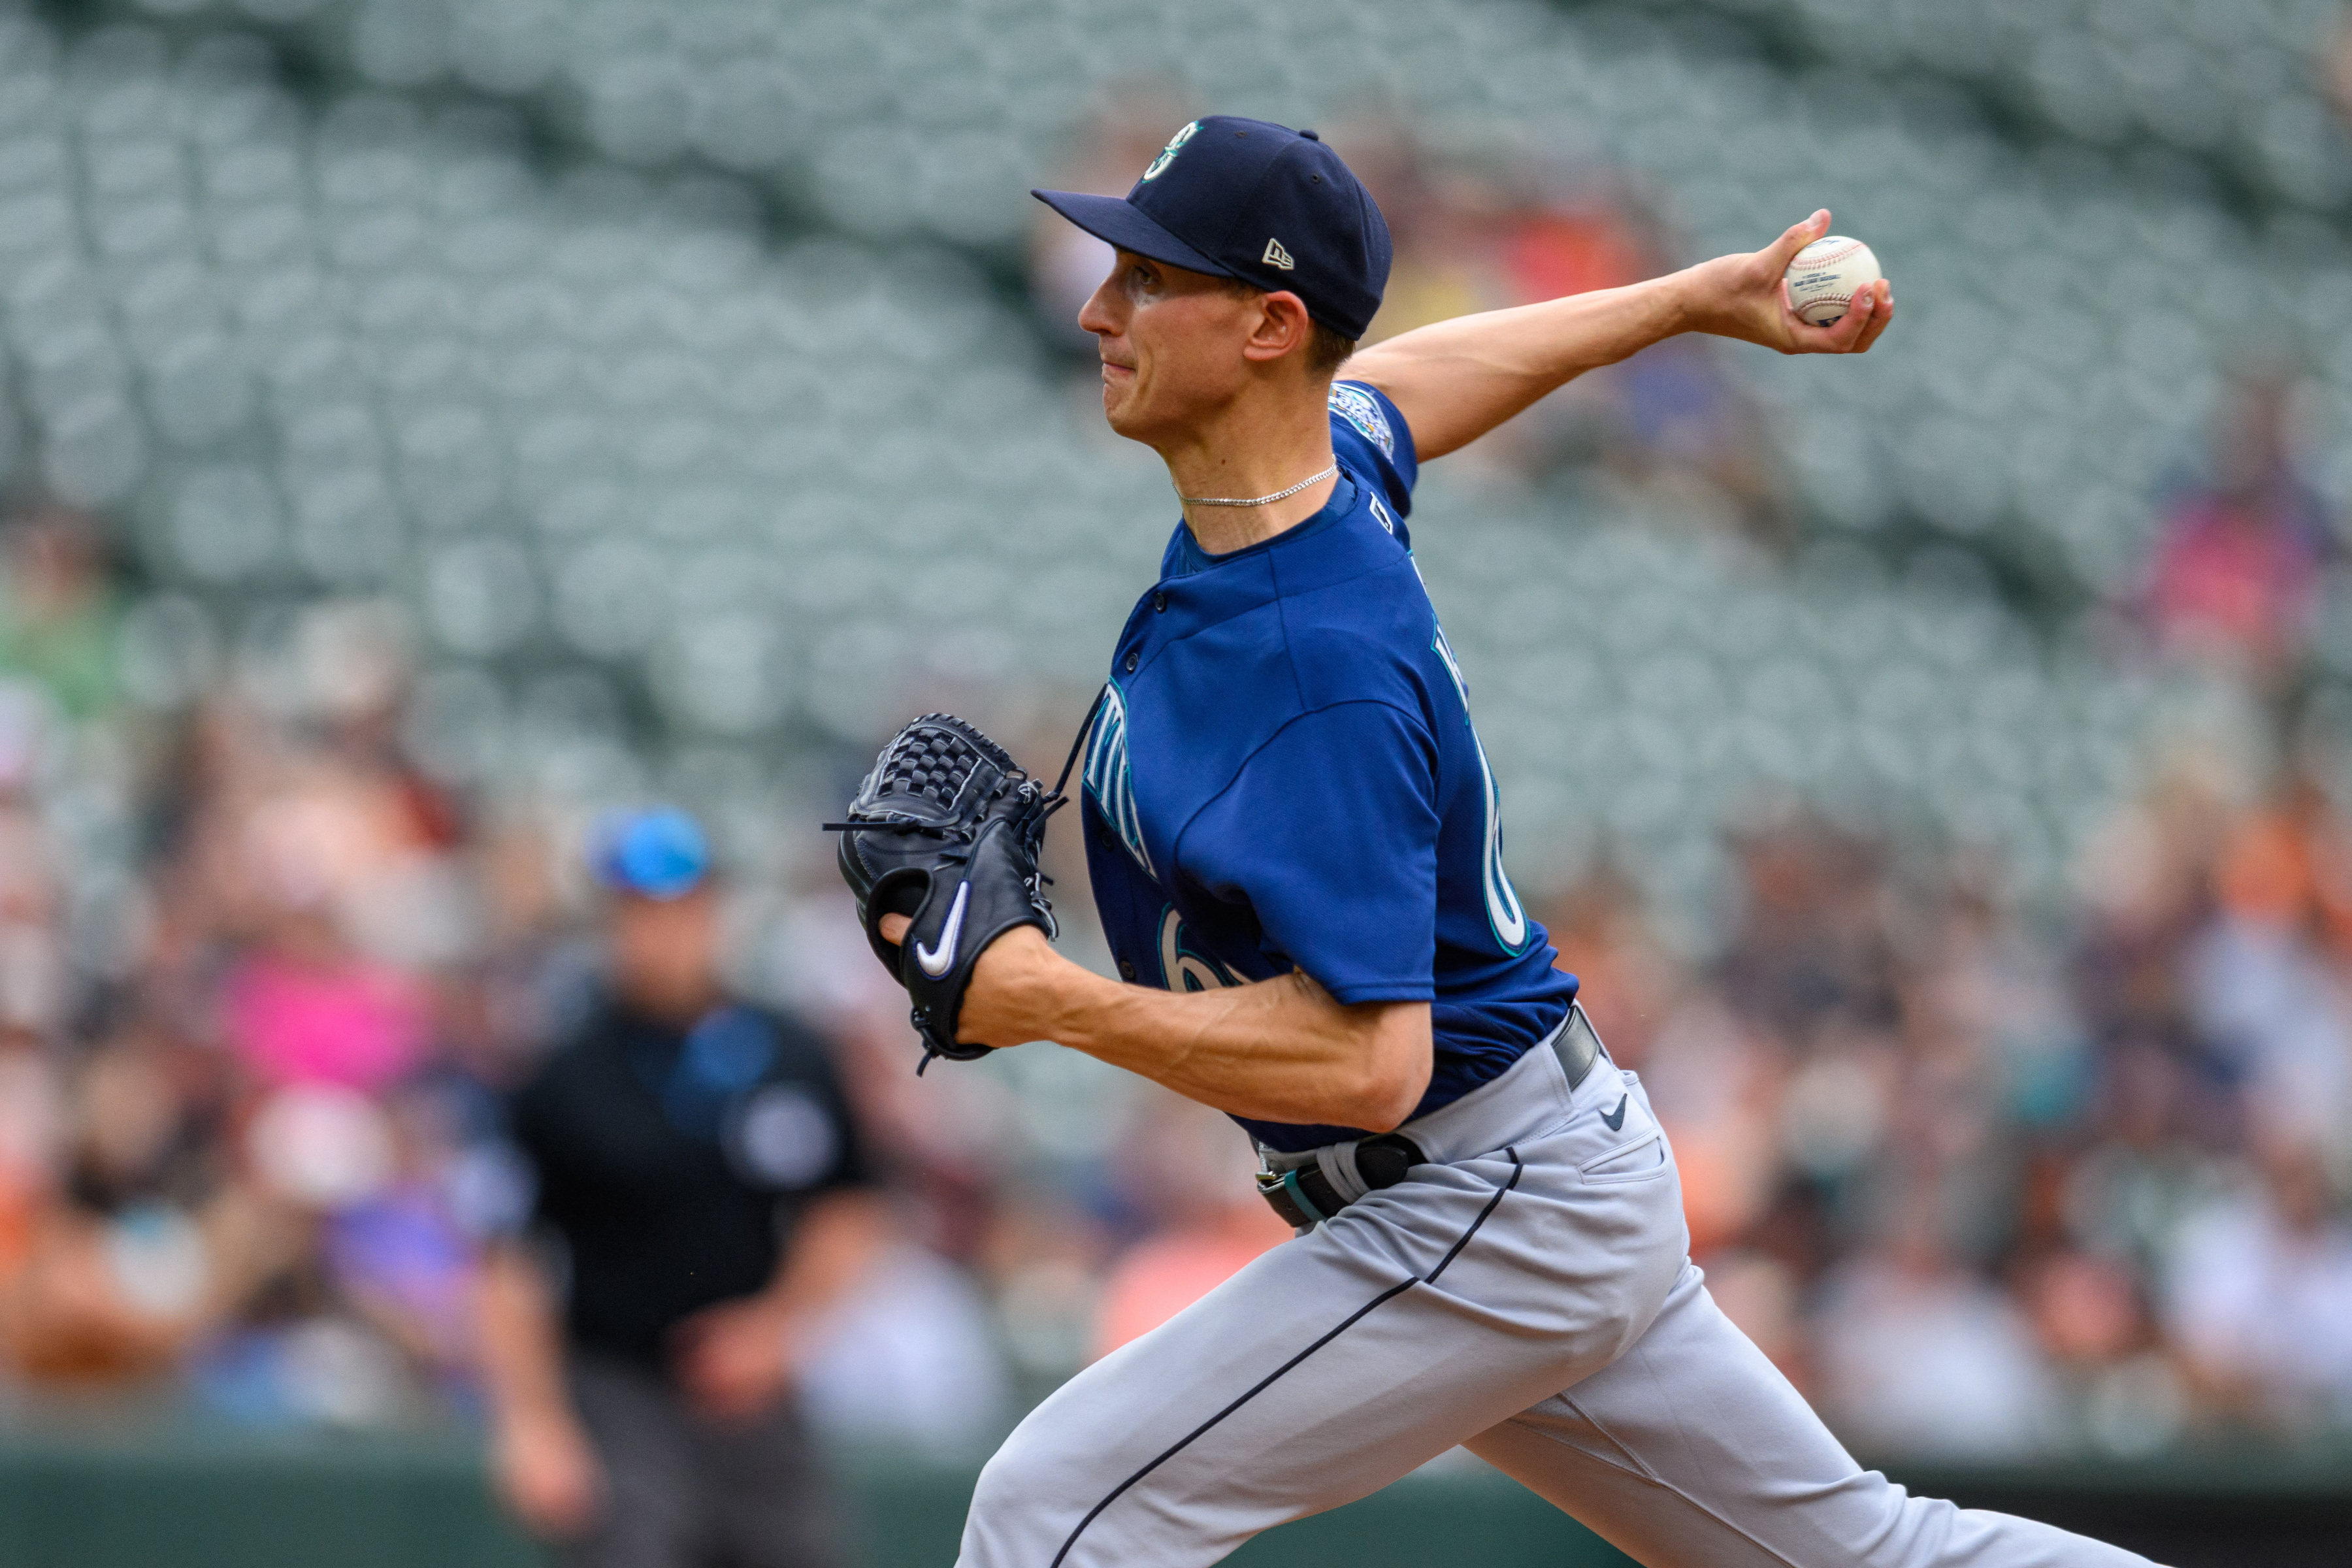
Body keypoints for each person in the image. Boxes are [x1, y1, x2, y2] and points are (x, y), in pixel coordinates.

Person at [873, 116, 2158, 1567]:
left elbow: (1373, 1062)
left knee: (1054, 1508)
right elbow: (1404, 385)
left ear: (1269, 327)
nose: (1101, 304)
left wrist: (1045, 1000)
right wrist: (1688, 302)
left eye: (1153, 278)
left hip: (1480, 1194)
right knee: (1866, 1556)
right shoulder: (1307, 480)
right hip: (1535, 1175)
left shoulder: (1316, 666)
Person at [478, 808, 881, 1568]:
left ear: (715, 913)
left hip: (753, 1401)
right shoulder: (562, 1075)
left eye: (681, 909)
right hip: (618, 1393)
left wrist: (781, 1327)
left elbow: (847, 1210)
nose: (661, 932)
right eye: (638, 912)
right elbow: (509, 1258)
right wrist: (531, 1422)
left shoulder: (789, 1056)